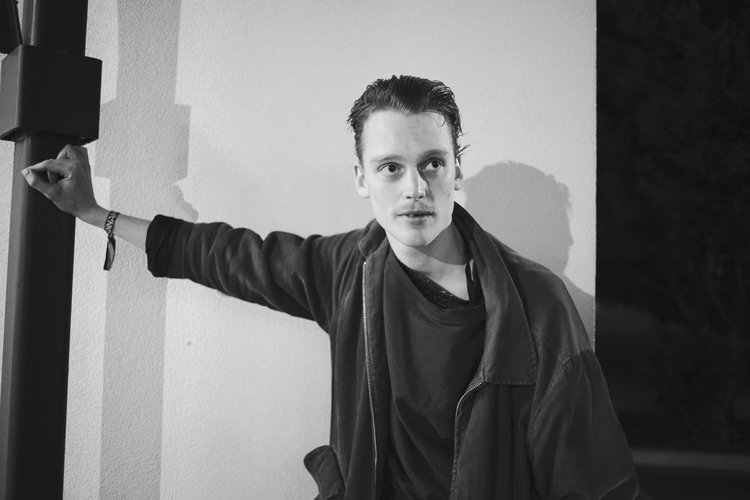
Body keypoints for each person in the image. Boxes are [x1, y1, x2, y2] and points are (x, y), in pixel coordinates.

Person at [23, 75, 638, 499]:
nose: (415, 188)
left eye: (432, 163)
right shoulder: (350, 271)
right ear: (362, 179)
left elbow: (593, 480)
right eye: (391, 167)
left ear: (457, 170)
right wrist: (93, 212)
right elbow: (224, 255)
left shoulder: (534, 305)